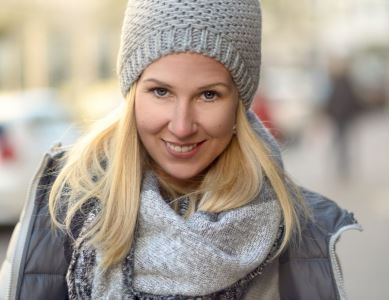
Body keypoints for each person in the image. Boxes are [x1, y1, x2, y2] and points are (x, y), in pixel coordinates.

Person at [0, 0, 361, 299]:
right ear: (132, 93)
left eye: (209, 95)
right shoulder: (63, 208)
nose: (182, 125)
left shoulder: (295, 226)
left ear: (239, 102)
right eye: (161, 92)